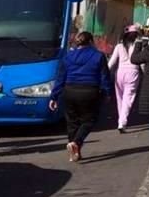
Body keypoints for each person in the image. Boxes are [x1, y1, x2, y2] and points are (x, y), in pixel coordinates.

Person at [48, 31, 112, 162]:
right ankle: (76, 142)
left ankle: (74, 151)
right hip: (90, 91)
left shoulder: (68, 57)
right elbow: (104, 76)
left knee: (72, 122)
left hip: (69, 90)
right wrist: (107, 92)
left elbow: (61, 78)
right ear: (90, 42)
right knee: (89, 120)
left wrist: (54, 96)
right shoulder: (98, 56)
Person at [108, 24, 142, 133]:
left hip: (120, 73)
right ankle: (122, 122)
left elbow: (112, 62)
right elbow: (141, 62)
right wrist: (146, 72)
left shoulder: (119, 46)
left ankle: (121, 120)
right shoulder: (138, 45)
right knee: (128, 98)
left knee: (120, 98)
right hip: (133, 72)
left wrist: (105, 72)